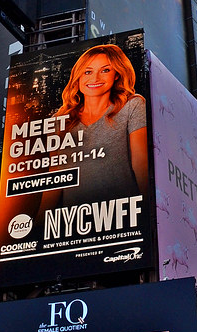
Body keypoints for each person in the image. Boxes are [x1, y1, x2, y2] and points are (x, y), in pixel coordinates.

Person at [49, 44, 148, 211]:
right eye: (87, 72)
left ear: (117, 74)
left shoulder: (132, 106)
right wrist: (37, 226)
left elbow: (140, 163)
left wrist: (148, 209)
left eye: (105, 70)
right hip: (71, 223)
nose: (95, 78)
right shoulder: (60, 120)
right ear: (78, 77)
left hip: (123, 214)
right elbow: (55, 179)